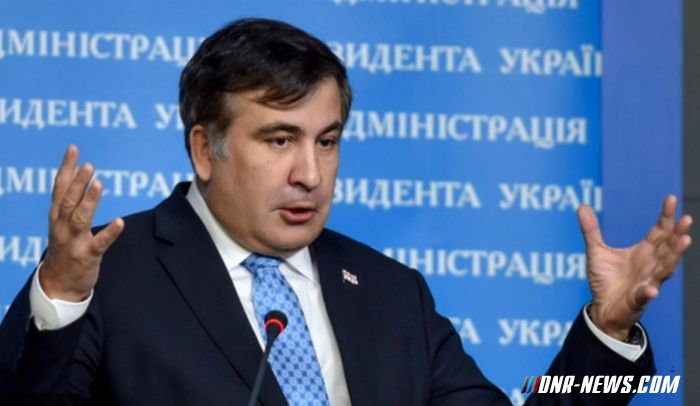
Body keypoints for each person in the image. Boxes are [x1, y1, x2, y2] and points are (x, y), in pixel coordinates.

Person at [0, 18, 693, 405]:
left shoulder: (392, 295)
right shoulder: (109, 276)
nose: (311, 173)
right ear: (205, 150)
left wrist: (607, 330)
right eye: (280, 140)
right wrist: (60, 296)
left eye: (326, 141)